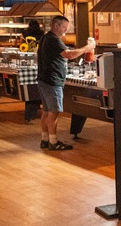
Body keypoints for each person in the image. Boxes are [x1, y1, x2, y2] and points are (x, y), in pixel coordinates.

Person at [37, 15, 95, 151]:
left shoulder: (46, 37)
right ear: (56, 26)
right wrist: (88, 47)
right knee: (53, 112)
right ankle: (53, 142)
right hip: (52, 81)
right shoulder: (53, 39)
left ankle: (45, 139)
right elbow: (69, 55)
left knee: (46, 111)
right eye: (64, 27)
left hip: (44, 79)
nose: (65, 30)